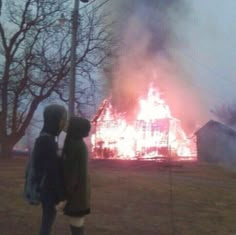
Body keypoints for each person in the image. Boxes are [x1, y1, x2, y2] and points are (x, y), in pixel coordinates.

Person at [33, 104, 67, 235]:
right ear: (54, 120)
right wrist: (60, 194)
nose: (63, 123)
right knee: (47, 223)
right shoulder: (47, 141)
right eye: (61, 119)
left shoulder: (46, 137)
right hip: (49, 190)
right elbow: (51, 171)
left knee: (48, 221)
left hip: (46, 188)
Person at [62, 116, 91, 235]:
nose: (66, 124)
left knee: (76, 227)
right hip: (79, 192)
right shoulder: (76, 144)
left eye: (70, 123)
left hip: (76, 194)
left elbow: (72, 174)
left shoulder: (76, 145)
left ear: (75, 128)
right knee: (75, 225)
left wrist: (65, 195)